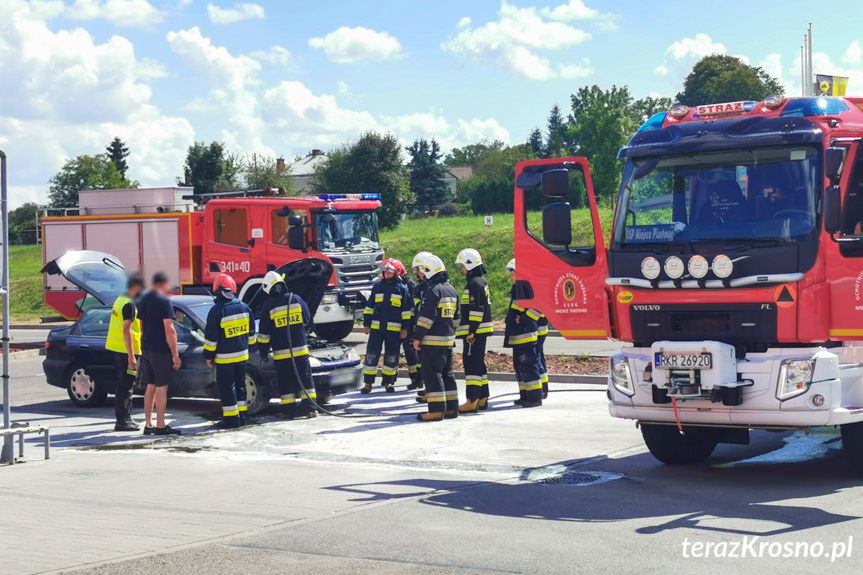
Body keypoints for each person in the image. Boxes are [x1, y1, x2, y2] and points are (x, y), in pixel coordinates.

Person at [257, 270, 318, 419]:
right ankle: (310, 409)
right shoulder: (296, 299)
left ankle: (289, 411)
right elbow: (308, 320)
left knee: (286, 382)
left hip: (281, 353)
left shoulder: (268, 306)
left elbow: (264, 334)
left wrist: (263, 351)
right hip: (301, 350)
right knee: (305, 379)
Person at [203, 273, 256, 429]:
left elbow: (211, 340)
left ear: (217, 291)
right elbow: (252, 336)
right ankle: (242, 415)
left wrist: (208, 356)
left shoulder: (216, 310)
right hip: (242, 356)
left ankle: (231, 420)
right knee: (240, 385)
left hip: (224, 358)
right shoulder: (245, 307)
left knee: (227, 388)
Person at [412, 253, 460, 422]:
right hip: (448, 340)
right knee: (448, 374)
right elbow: (457, 318)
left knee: (432, 375)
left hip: (431, 341)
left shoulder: (432, 291)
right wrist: (448, 332)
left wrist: (417, 337)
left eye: (424, 271)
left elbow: (426, 318)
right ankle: (451, 409)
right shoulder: (451, 289)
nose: (422, 275)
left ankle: (436, 411)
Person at [137, 272, 182, 435]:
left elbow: (141, 325)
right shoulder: (164, 301)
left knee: (150, 385)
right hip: (160, 350)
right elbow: (169, 329)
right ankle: (161, 425)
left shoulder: (144, 300)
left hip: (146, 347)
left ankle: (148, 424)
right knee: (162, 387)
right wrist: (175, 354)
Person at [361, 258, 412, 394]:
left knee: (391, 356)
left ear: (396, 273)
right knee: (371, 355)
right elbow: (369, 307)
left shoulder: (402, 289)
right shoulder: (377, 286)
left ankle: (389, 382)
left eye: (390, 271)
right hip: (376, 330)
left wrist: (405, 328)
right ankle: (368, 383)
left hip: (394, 331)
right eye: (385, 271)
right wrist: (366, 323)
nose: (387, 274)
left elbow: (406, 311)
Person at [454, 248, 493, 413]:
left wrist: (472, 331)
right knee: (479, 364)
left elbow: (476, 310)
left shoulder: (475, 283)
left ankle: (472, 400)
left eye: (462, 266)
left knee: (471, 365)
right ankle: (482, 398)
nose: (461, 269)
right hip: (478, 332)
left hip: (474, 333)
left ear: (469, 265)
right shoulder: (479, 282)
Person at [105, 275, 144, 431]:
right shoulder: (128, 304)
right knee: (127, 386)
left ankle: (125, 418)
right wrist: (131, 356)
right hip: (126, 351)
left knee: (123, 386)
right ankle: (123, 421)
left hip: (118, 349)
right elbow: (126, 330)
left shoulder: (120, 300)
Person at [504, 259, 543, 408]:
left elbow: (539, 307)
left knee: (529, 366)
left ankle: (534, 398)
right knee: (520, 367)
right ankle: (525, 396)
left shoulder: (528, 288)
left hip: (526, 334)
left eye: (512, 274)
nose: (510, 277)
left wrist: (525, 318)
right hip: (518, 336)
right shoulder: (518, 289)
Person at [396, 259, 423, 391]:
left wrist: (409, 326)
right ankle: (416, 379)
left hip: (413, 324)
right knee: (409, 351)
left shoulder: (411, 286)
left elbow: (413, 309)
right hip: (404, 324)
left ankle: (418, 378)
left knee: (415, 352)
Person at [410, 252, 432, 403]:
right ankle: (424, 385)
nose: (417, 273)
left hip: (429, 331)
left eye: (418, 269)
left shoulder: (430, 288)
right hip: (421, 328)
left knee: (430, 363)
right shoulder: (421, 287)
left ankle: (430, 391)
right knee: (422, 361)